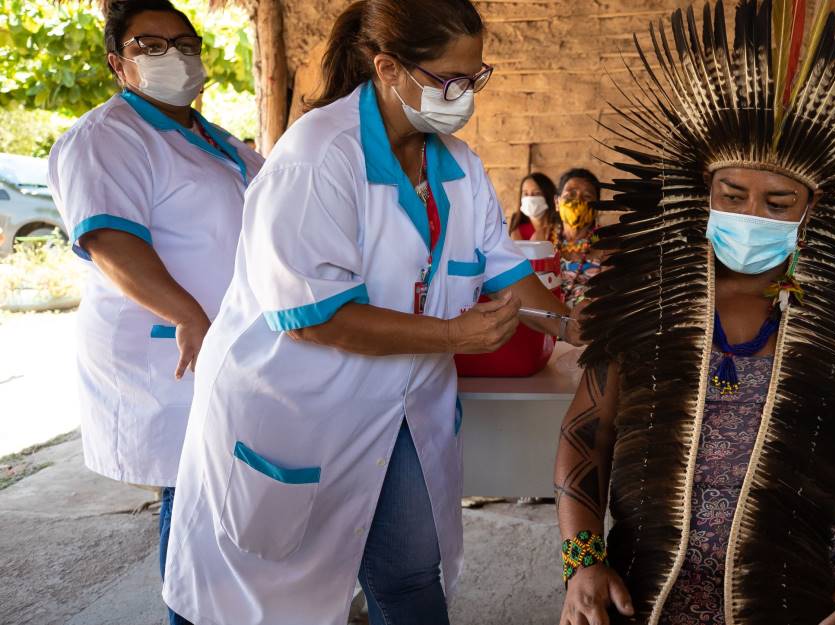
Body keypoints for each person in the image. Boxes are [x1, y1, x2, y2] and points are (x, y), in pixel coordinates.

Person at [161, 2, 579, 624]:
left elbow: (503, 268)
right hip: (295, 412)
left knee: (410, 576)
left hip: (402, 411)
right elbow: (315, 318)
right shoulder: (318, 158)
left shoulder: (457, 165)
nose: (464, 96)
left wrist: (575, 325)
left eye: (474, 78)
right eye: (449, 81)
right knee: (251, 598)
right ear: (388, 69)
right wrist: (452, 334)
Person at [554, 2, 835, 624]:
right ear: (704, 191)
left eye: (778, 202)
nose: (752, 215)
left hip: (807, 596)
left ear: (812, 207)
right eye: (732, 195)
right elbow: (584, 436)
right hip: (651, 593)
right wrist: (582, 559)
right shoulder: (646, 298)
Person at [45, 2, 263, 625]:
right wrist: (187, 313)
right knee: (193, 498)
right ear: (118, 64)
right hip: (168, 348)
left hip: (229, 347)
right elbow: (110, 241)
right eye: (151, 45)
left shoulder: (218, 140)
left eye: (185, 43)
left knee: (226, 500)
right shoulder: (106, 137)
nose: (175, 56)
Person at [553, 168, 604, 308]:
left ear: (597, 207)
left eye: (587, 196)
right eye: (571, 194)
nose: (578, 200)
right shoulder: (543, 239)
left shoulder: (606, 244)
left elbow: (607, 296)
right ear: (557, 202)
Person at [509, 171, 559, 241]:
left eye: (536, 193)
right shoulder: (517, 230)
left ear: (548, 196)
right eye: (526, 194)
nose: (530, 198)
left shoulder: (560, 228)